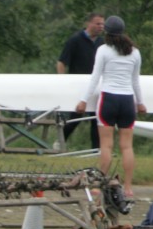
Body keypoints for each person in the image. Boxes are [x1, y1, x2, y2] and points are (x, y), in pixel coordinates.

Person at [75, 15, 145, 198]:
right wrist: (140, 102)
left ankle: (99, 184)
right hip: (127, 100)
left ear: (106, 31)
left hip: (108, 99)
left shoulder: (103, 50)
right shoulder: (134, 52)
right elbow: (135, 81)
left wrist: (83, 100)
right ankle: (128, 187)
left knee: (106, 146)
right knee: (127, 147)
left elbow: (95, 77)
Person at [57, 12, 104, 150]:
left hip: (96, 85)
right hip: (78, 86)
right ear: (89, 24)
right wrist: (62, 81)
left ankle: (95, 148)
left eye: (102, 24)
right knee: (75, 117)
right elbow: (61, 62)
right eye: (97, 23)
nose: (101, 27)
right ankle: (60, 142)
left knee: (96, 118)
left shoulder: (102, 43)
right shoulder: (75, 40)